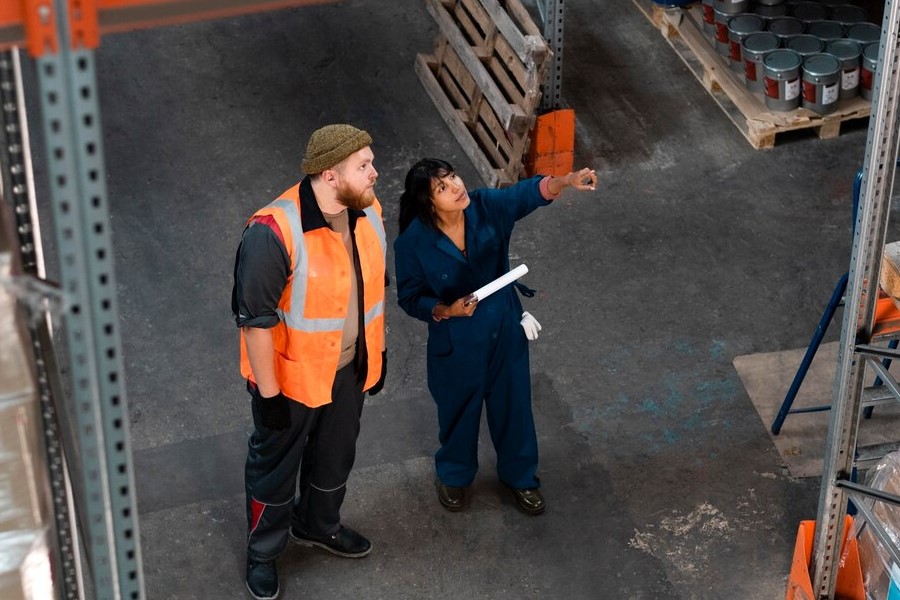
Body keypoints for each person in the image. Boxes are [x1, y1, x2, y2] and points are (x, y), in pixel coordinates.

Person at [231, 123, 387, 600]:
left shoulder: (367, 211)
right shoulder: (273, 231)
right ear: (329, 175)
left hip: (348, 370)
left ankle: (319, 525)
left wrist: (375, 354)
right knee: (275, 470)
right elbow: (255, 321)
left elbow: (371, 288)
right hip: (291, 381)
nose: (375, 174)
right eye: (363, 166)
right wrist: (270, 395)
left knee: (335, 458)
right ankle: (263, 554)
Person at [393, 158, 596, 516]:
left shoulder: (485, 205)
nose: (456, 187)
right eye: (442, 188)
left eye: (452, 177)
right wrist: (446, 310)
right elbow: (410, 297)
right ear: (428, 203)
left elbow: (525, 194)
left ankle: (521, 477)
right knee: (458, 410)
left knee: (514, 405)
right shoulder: (412, 243)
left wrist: (566, 181)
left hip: (504, 328)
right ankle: (454, 475)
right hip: (457, 341)